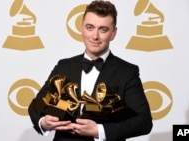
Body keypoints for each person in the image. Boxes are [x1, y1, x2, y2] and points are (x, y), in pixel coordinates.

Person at [28, 0, 153, 141]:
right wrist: (42, 122)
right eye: (90, 27)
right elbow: (36, 104)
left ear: (113, 33)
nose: (95, 36)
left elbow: (144, 122)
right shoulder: (64, 66)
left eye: (103, 29)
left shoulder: (127, 72)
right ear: (82, 29)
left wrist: (99, 131)